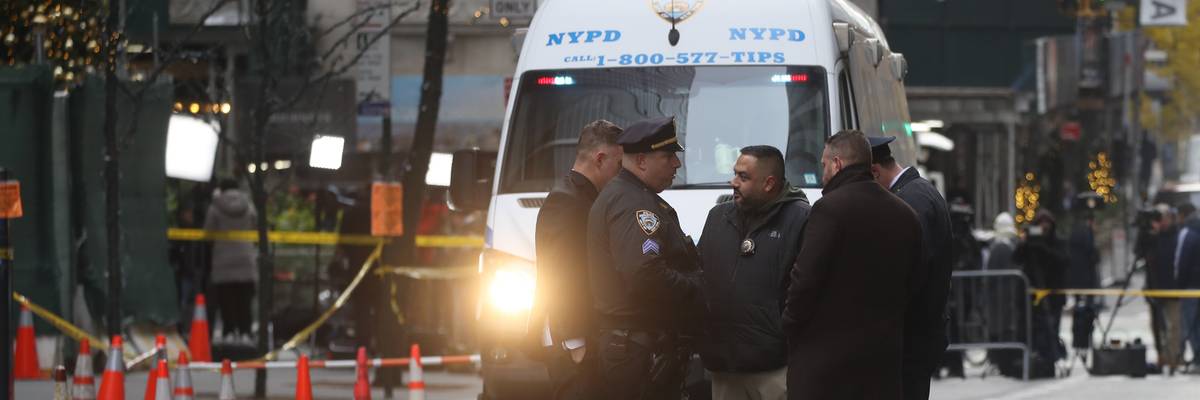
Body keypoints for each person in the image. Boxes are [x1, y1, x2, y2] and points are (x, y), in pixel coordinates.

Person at [782, 130, 924, 400]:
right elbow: (915, 282)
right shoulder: (906, 214)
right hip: (883, 360)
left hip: (828, 363)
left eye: (824, 165)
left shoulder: (829, 209)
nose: (823, 173)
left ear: (837, 164)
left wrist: (789, 324)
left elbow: (805, 279)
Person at [587, 116, 705, 400]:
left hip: (639, 346)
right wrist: (697, 287)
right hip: (638, 350)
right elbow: (645, 274)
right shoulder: (634, 203)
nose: (677, 164)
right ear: (641, 161)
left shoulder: (634, 195)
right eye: (668, 157)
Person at [697, 145, 810, 400]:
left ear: (769, 183)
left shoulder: (800, 219)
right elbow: (698, 274)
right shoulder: (718, 217)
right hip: (723, 364)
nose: (733, 182)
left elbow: (807, 291)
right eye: (735, 174)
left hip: (774, 367)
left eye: (743, 177)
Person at [534, 120, 624, 400]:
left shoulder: (581, 195)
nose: (622, 173)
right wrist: (575, 341)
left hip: (583, 336)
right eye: (619, 165)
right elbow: (559, 274)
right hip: (572, 340)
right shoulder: (566, 200)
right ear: (600, 159)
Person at [868, 136, 954, 393]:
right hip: (920, 332)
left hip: (912, 334)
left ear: (875, 171)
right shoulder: (919, 191)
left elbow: (909, 271)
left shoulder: (908, 201)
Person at [203, 178, 259, 344]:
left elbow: (208, 232)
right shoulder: (248, 205)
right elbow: (256, 226)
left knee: (226, 299)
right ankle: (246, 332)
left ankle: (228, 332)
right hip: (246, 258)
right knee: (245, 299)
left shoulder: (215, 207)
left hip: (223, 259)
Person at [1013, 210, 1068, 364]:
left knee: (1051, 327)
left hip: (1053, 294)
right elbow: (1016, 258)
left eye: (1047, 224)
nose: (1043, 228)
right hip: (1031, 294)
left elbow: (1063, 261)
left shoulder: (1057, 242)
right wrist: (1025, 243)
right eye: (1040, 225)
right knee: (1032, 327)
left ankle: (1050, 359)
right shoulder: (1030, 243)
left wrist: (1044, 249)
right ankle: (1035, 358)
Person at [1147, 205, 1184, 373]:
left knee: (1174, 325)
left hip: (1173, 289)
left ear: (1170, 218)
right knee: (1157, 326)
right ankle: (1162, 354)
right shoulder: (1152, 238)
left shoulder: (1178, 236)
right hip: (1154, 288)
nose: (1161, 222)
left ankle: (1173, 357)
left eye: (1164, 218)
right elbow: (1140, 253)